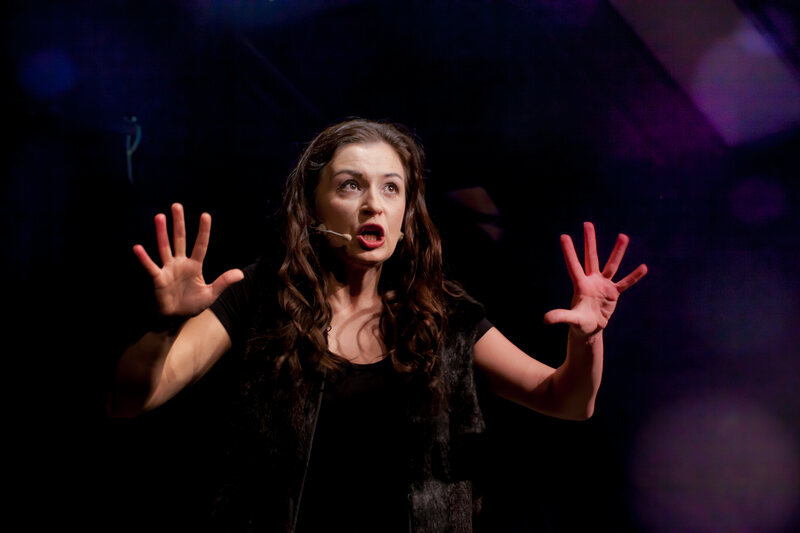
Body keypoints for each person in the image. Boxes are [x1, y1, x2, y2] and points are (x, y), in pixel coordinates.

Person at [108, 118, 647, 532]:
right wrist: (165, 327)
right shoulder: (259, 295)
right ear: (312, 209)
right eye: (350, 186)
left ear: (407, 215)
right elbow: (130, 400)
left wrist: (587, 339)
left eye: (391, 188)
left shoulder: (445, 317)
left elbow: (567, 401)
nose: (374, 205)